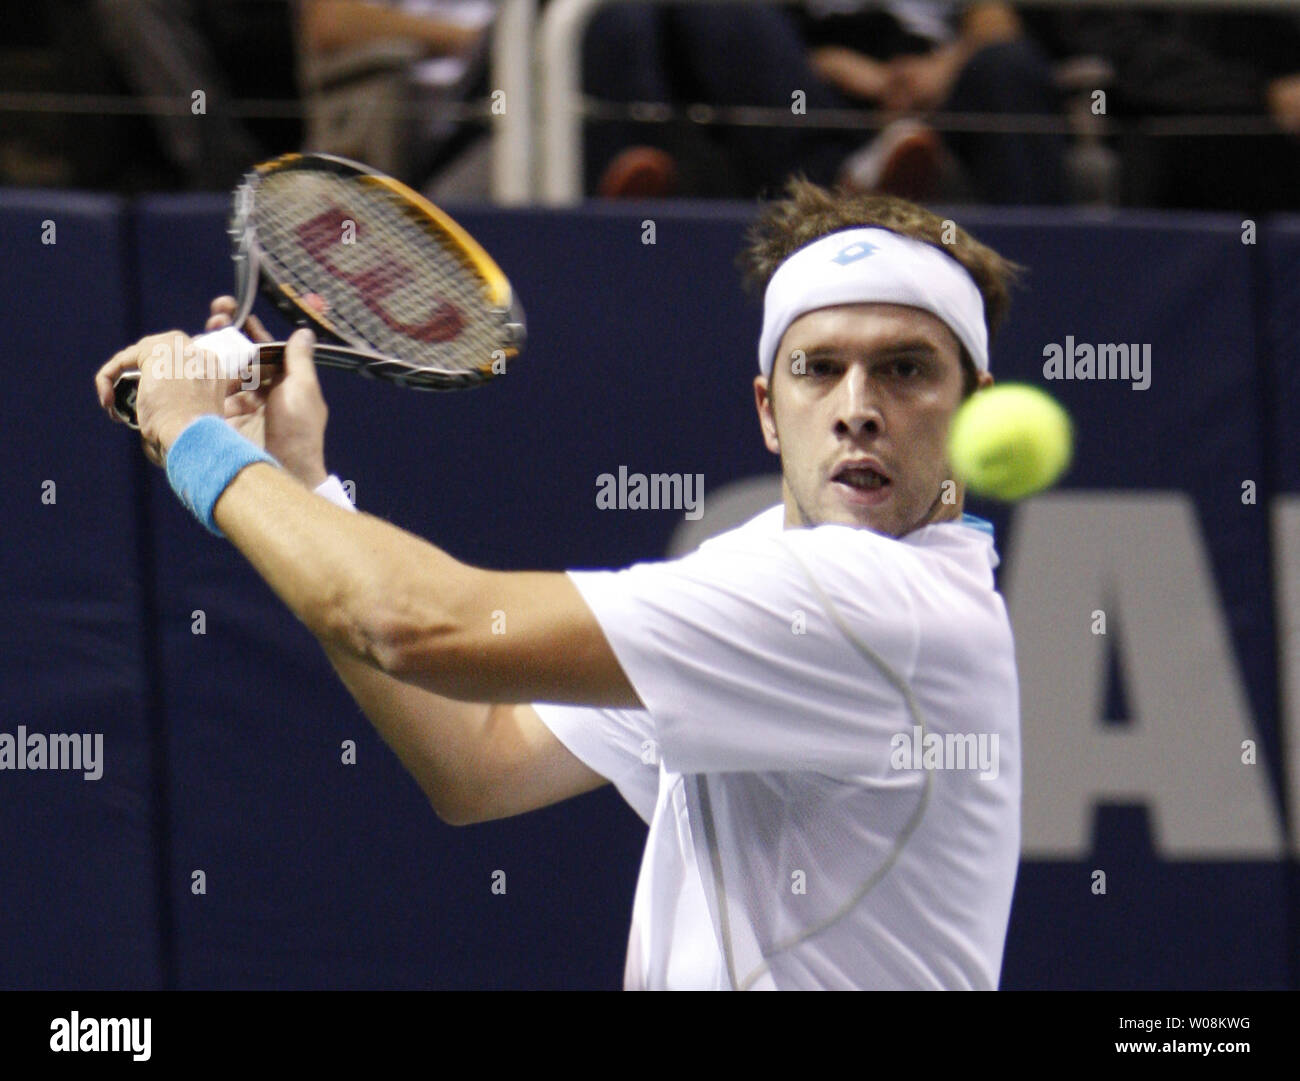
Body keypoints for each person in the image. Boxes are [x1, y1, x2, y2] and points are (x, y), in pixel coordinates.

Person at [94, 180, 1023, 990]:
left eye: (905, 369)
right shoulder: (762, 571)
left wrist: (195, 439)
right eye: (818, 369)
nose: (857, 407)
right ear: (768, 411)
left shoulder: (876, 609)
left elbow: (414, 624)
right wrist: (298, 482)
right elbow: (481, 761)